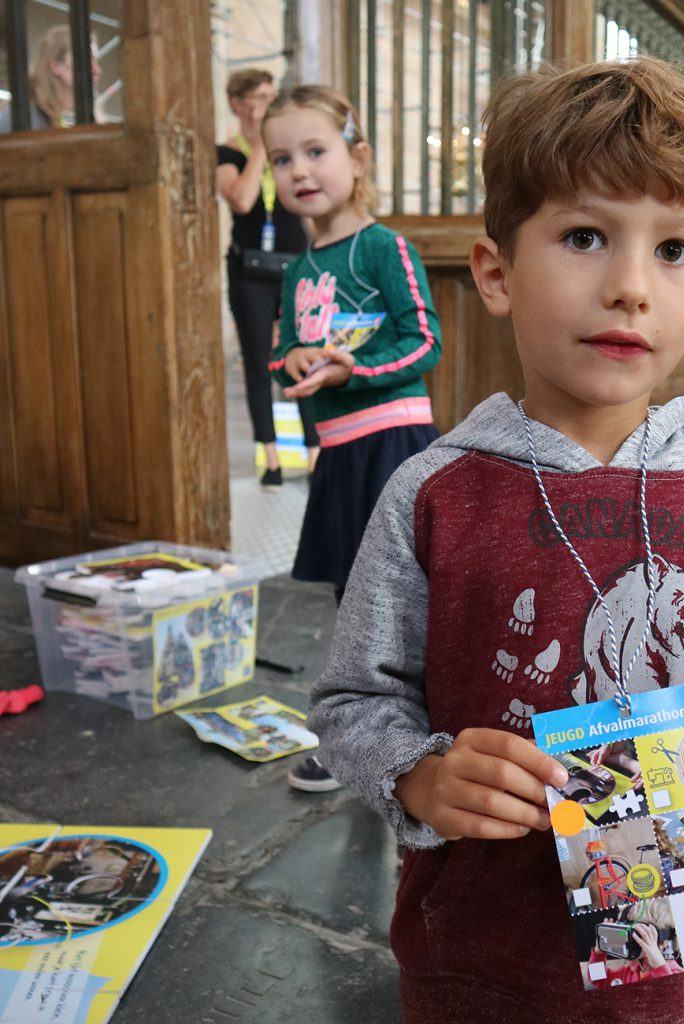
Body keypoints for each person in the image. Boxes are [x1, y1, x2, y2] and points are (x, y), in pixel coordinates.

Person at [308, 57, 684, 1023]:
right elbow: (353, 697)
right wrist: (418, 774)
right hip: (476, 961)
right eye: (586, 235)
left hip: (677, 960)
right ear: (497, 271)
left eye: (672, 249)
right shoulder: (435, 493)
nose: (632, 286)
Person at [260, 86, 442, 791]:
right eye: (281, 159)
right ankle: (358, 742)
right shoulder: (298, 269)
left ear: (357, 157)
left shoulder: (382, 247)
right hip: (337, 451)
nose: (299, 171)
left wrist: (353, 368)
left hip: (393, 445)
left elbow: (424, 340)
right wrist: (297, 362)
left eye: (315, 151)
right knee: (349, 595)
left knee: (404, 594)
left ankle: (422, 733)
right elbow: (281, 351)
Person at [215, 68, 320, 485]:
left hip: (294, 265)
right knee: (258, 362)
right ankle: (271, 457)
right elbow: (240, 200)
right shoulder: (228, 153)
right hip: (249, 271)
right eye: (257, 98)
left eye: (270, 97)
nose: (264, 106)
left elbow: (305, 201)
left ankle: (315, 455)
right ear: (238, 104)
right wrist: (259, 145)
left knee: (304, 357)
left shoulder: (285, 152)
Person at [0, 25, 101, 132]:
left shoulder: (91, 121)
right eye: (87, 59)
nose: (97, 70)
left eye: (96, 61)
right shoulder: (19, 120)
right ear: (55, 66)